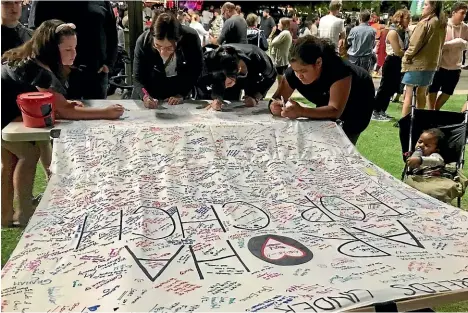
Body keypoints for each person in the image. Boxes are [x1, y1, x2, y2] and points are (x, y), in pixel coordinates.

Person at [1, 20, 123, 227]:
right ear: (51, 49)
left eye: (74, 48)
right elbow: (63, 111)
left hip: (8, 114)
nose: (73, 54)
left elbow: (54, 102)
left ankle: (5, 215)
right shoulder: (38, 70)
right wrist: (106, 112)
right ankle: (24, 212)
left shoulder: (30, 58)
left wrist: (63, 103)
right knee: (28, 154)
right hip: (5, 117)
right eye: (67, 49)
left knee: (9, 161)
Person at [268, 36, 375, 145]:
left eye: (303, 71)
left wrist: (301, 111)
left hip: (358, 100)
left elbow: (335, 110)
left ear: (318, 62)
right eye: (295, 70)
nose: (299, 76)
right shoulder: (293, 74)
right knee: (318, 138)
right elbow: (276, 98)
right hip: (326, 96)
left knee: (342, 143)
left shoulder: (338, 70)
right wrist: (274, 106)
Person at [29, 1, 118, 100]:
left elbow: (112, 33)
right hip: (59, 75)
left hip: (96, 74)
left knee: (98, 113)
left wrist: (109, 65)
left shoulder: (102, 2)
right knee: (62, 112)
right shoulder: (43, 3)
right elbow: (35, 34)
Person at [132, 12, 203, 108]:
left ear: (179, 39)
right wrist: (145, 96)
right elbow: (138, 77)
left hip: (179, 91)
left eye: (169, 48)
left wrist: (182, 94)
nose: (162, 53)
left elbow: (196, 69)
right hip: (151, 90)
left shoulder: (191, 38)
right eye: (157, 46)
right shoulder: (143, 42)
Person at [401, 0, 447, 117]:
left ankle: (405, 121)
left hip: (417, 62)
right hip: (431, 63)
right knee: (421, 93)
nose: (423, 8)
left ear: (433, 7)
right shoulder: (441, 23)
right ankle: (418, 119)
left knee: (409, 93)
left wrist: (406, 57)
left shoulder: (425, 23)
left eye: (426, 5)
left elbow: (414, 44)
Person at [199, 44, 276, 110]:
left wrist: (256, 97)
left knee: (250, 104)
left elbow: (272, 77)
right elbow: (216, 78)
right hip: (230, 80)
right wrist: (217, 98)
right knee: (229, 101)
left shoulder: (259, 59)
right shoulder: (217, 56)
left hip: (254, 78)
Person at [427, 2, 468, 111]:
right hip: (440, 64)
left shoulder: (465, 28)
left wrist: (463, 43)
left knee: (448, 91)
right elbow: (437, 45)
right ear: (454, 12)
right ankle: (431, 112)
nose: (464, 16)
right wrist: (454, 43)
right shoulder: (443, 25)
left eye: (465, 13)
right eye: (462, 13)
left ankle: (436, 109)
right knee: (433, 89)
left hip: (455, 65)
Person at [405, 129, 464, 203]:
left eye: (427, 145)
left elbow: (436, 161)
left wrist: (420, 160)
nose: (421, 145)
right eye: (420, 141)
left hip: (435, 179)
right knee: (407, 184)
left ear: (436, 150)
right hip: (421, 179)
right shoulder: (414, 155)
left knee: (435, 191)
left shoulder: (435, 155)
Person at [373, 9, 410, 121]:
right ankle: (375, 111)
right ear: (400, 18)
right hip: (392, 61)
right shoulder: (393, 32)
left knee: (392, 88)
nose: (409, 21)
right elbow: (398, 51)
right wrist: (409, 53)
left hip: (399, 62)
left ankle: (382, 110)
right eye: (407, 18)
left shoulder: (405, 32)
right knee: (385, 88)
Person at [271, 17, 292, 84]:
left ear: (284, 24)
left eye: (279, 23)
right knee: (281, 77)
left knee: (281, 78)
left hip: (281, 60)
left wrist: (275, 32)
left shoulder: (285, 33)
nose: (278, 24)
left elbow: (273, 42)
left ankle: (280, 92)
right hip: (282, 59)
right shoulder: (284, 33)